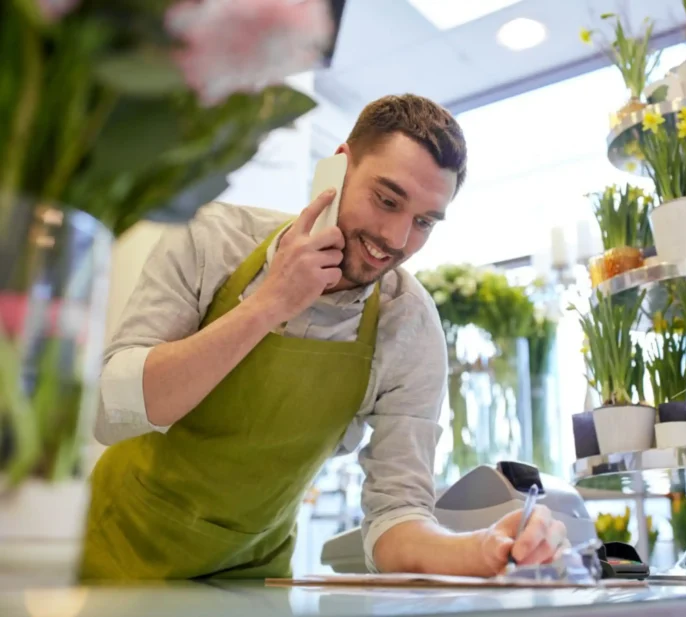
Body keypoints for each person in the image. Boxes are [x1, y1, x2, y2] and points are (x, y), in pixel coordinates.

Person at [82, 94, 568, 580]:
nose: (398, 240)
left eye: (423, 222)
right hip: (120, 550)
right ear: (338, 170)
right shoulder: (212, 239)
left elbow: (396, 518)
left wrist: (482, 548)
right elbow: (110, 412)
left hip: (252, 575)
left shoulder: (410, 326)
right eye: (386, 200)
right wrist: (270, 303)